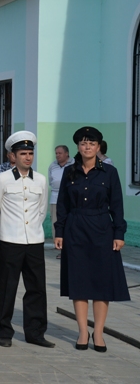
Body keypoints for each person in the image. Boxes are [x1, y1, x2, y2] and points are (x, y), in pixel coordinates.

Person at [55, 126, 129, 353]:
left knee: (100, 283)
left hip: (101, 230)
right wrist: (59, 231)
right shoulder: (69, 172)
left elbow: (116, 205)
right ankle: (82, 331)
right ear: (78, 146)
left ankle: (98, 332)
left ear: (98, 147)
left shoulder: (109, 172)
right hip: (75, 229)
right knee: (79, 282)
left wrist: (119, 234)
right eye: (84, 143)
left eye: (92, 143)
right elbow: (63, 205)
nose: (88, 147)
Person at [0, 131, 55, 348]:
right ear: (13, 156)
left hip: (34, 241)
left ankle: (35, 332)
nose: (28, 157)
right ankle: (3, 331)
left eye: (30, 153)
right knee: (7, 287)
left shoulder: (41, 179)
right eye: (23, 153)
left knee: (37, 288)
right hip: (11, 240)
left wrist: (33, 230)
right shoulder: (2, 179)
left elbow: (41, 209)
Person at [48, 145, 73, 259]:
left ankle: (69, 248)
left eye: (60, 153)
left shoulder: (73, 164)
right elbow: (51, 181)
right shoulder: (52, 166)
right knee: (55, 222)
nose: (57, 155)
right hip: (55, 197)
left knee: (69, 223)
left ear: (67, 154)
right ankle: (59, 248)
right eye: (56, 153)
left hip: (69, 198)